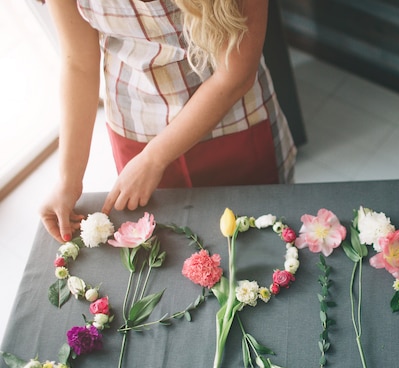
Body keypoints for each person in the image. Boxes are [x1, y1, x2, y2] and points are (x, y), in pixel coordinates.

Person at [39, 0, 297, 244]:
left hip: (233, 118)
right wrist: (68, 180)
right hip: (135, 131)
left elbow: (237, 74)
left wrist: (154, 158)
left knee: (262, 240)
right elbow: (79, 64)